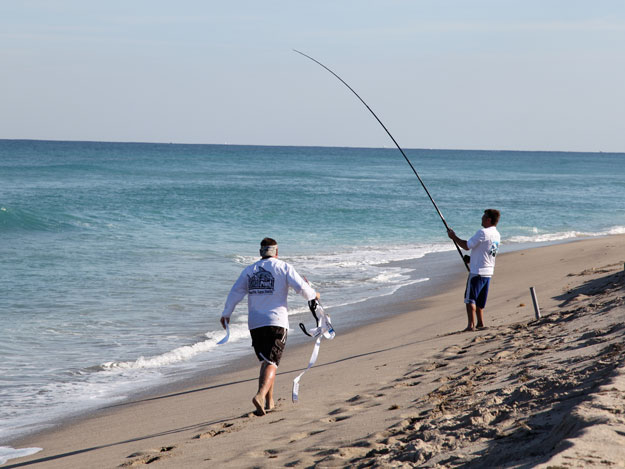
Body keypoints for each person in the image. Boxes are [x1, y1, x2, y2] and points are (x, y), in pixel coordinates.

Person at [220, 237, 319, 415]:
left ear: (260, 252)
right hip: (276, 321)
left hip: (255, 323)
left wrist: (226, 313)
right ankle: (260, 395)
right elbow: (302, 289)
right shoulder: (284, 267)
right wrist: (315, 295)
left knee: (266, 360)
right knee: (273, 362)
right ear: (277, 252)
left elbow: (236, 292)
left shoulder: (249, 270)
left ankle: (269, 402)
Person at [447, 209, 501, 331]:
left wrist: (453, 236)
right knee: (480, 299)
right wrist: (471, 259)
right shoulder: (497, 234)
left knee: (470, 298)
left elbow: (466, 246)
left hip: (477, 272)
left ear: (488, 220)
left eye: (484, 216)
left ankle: (470, 325)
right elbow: (486, 252)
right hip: (488, 271)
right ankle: (480, 323)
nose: (481, 218)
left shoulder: (483, 232)